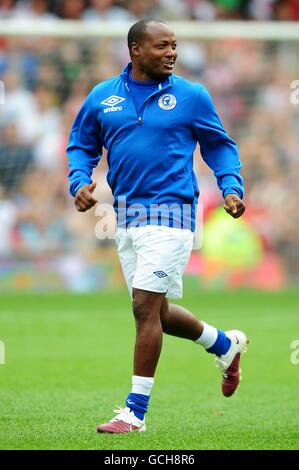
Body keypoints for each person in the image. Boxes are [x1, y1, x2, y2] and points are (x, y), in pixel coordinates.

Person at [66, 18, 248, 434]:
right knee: (158, 313)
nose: (172, 53)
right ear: (136, 50)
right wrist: (79, 181)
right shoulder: (103, 97)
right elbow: (81, 145)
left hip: (174, 213)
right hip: (126, 215)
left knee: (142, 308)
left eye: (174, 45)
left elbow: (220, 145)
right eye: (162, 46)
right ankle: (224, 344)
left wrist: (231, 187)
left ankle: (134, 412)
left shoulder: (191, 96)